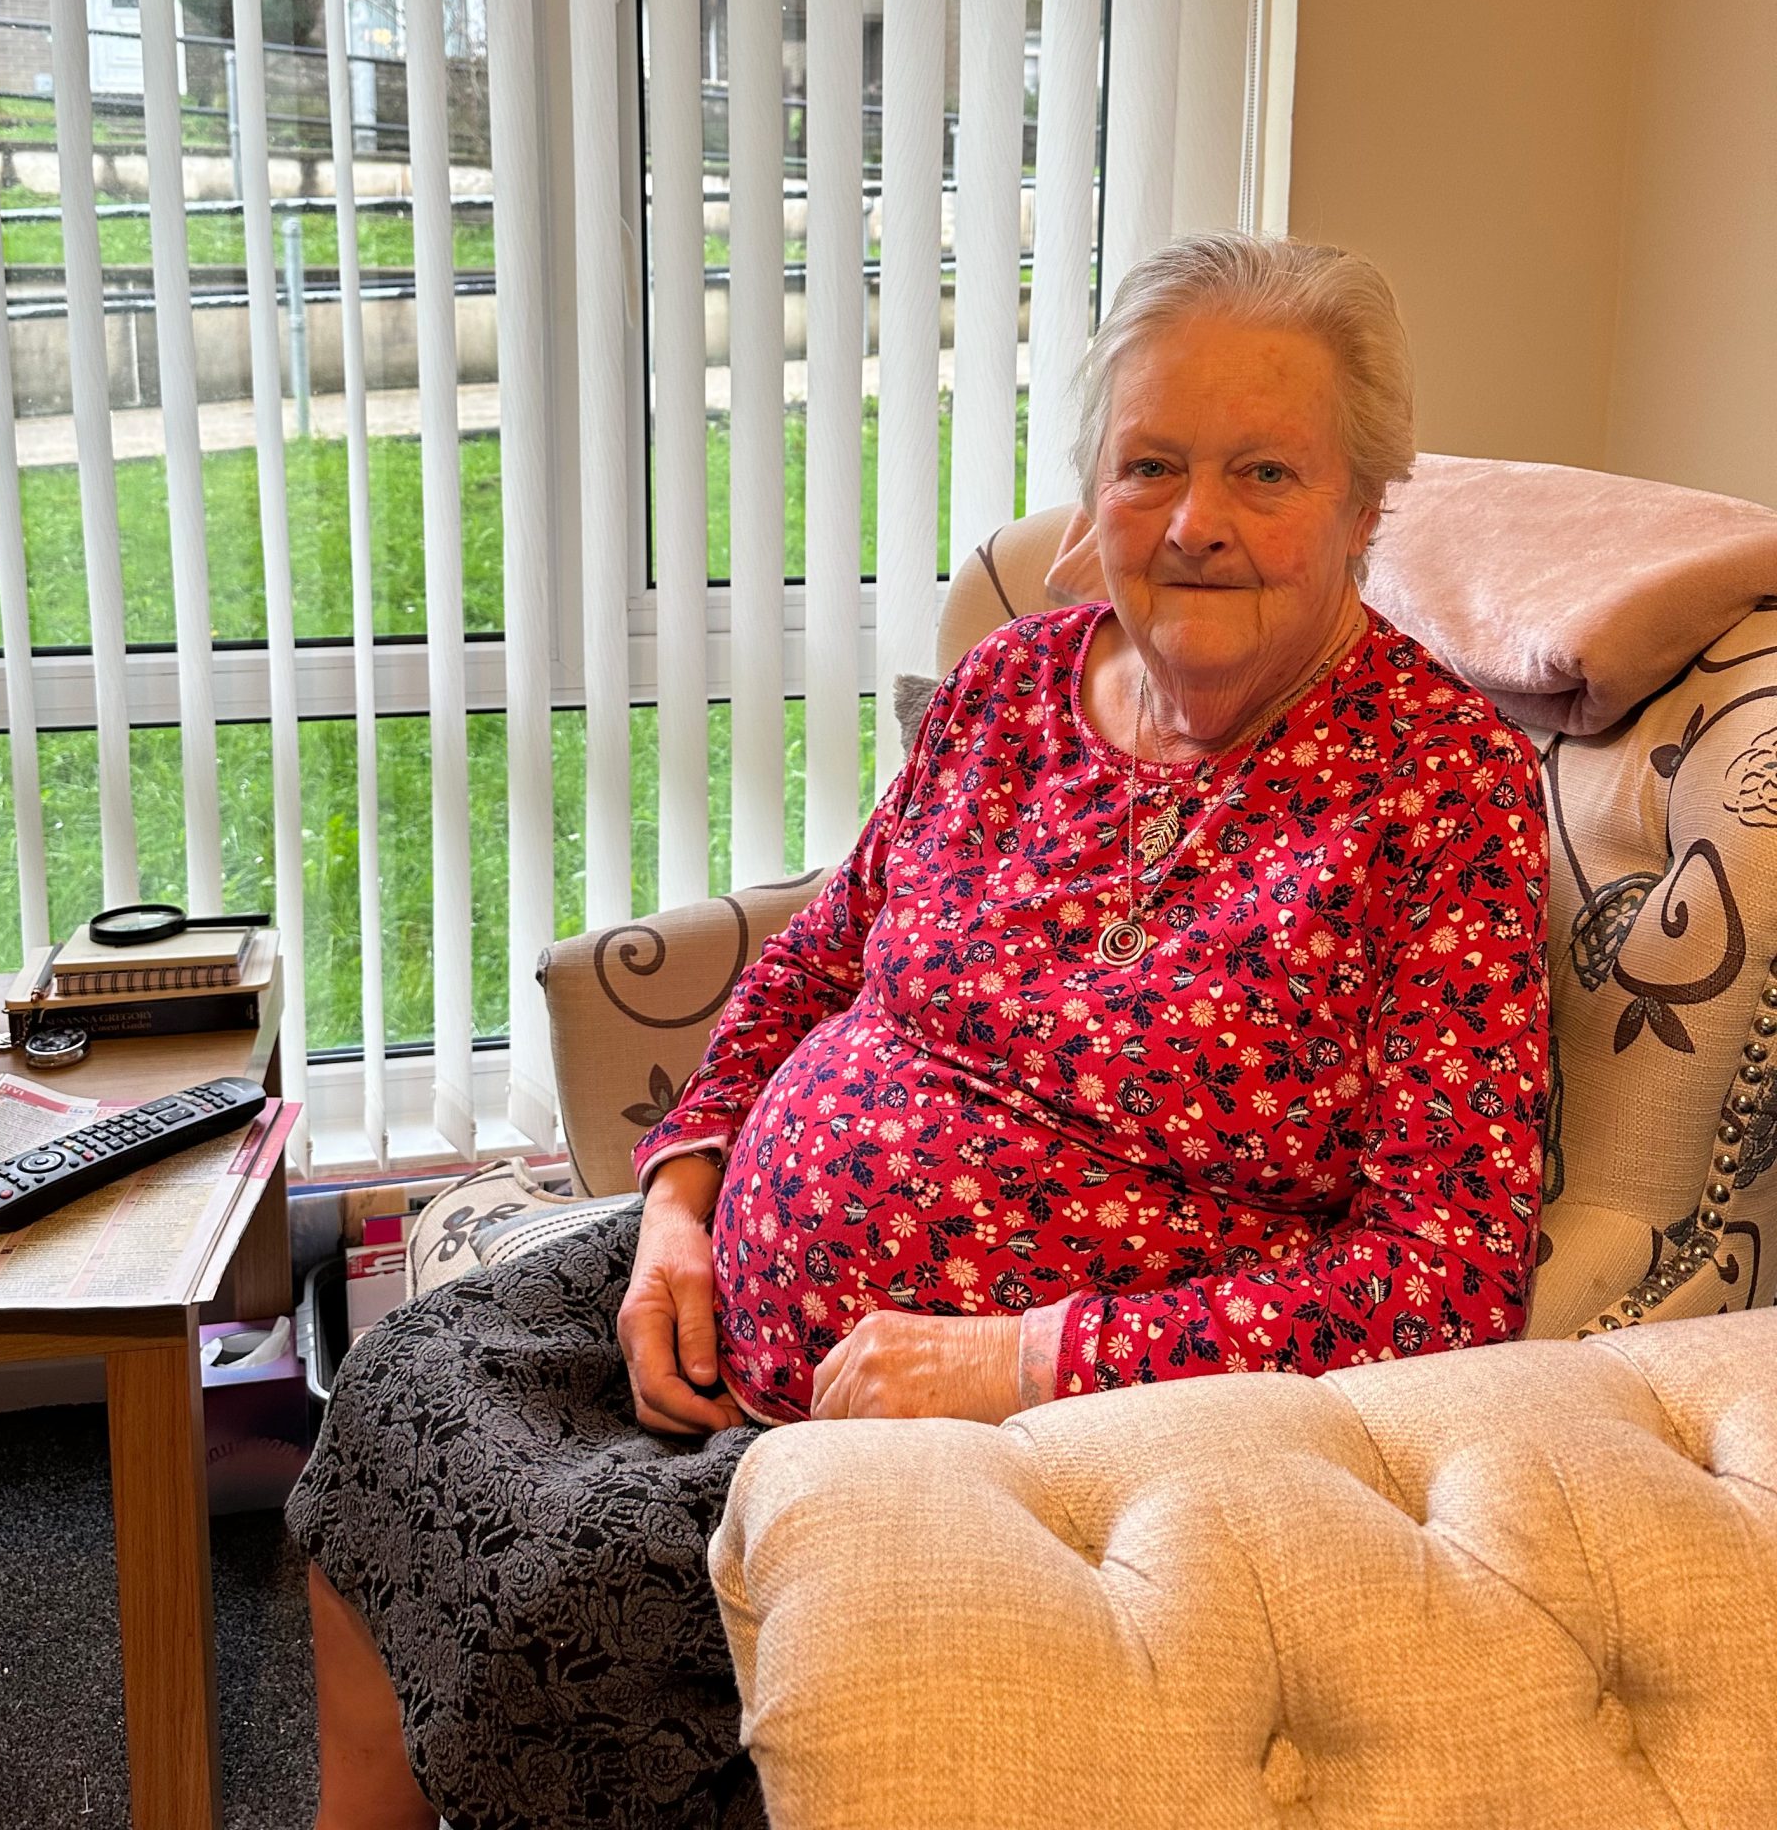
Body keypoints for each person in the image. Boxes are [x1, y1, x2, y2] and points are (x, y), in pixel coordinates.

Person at [288, 232, 1551, 1830]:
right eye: (1148, 463)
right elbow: (819, 963)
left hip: (1051, 1423)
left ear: (1368, 507)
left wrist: (1018, 1358)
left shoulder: (1446, 797)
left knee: (569, 1608)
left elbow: (1447, 1278)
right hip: (727, 1314)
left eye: (1267, 473)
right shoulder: (1015, 685)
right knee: (403, 1395)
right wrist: (677, 1210)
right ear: (1093, 493)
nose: (1196, 523)